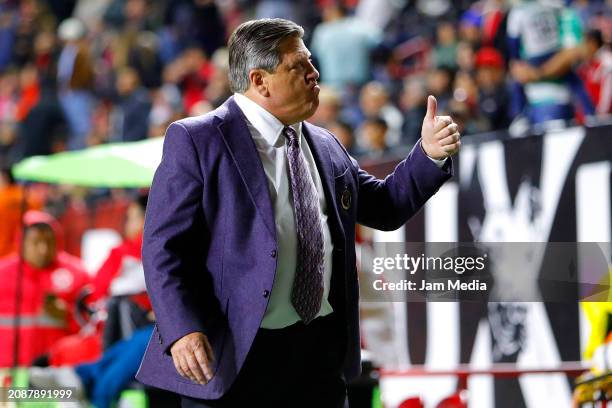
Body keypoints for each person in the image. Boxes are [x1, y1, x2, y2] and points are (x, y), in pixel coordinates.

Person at [135, 18, 460, 407]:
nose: (314, 73)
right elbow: (162, 247)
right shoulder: (197, 139)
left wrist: (428, 155)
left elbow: (385, 207)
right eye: (298, 66)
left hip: (316, 355)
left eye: (310, 62)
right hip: (234, 356)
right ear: (260, 81)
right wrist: (182, 328)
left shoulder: (325, 143)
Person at [0, 210, 90, 367]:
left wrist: (67, 315)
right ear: (21, 242)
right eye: (35, 242)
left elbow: (94, 325)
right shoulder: (3, 274)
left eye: (49, 242)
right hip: (8, 371)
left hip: (58, 371)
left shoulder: (78, 273)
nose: (43, 249)